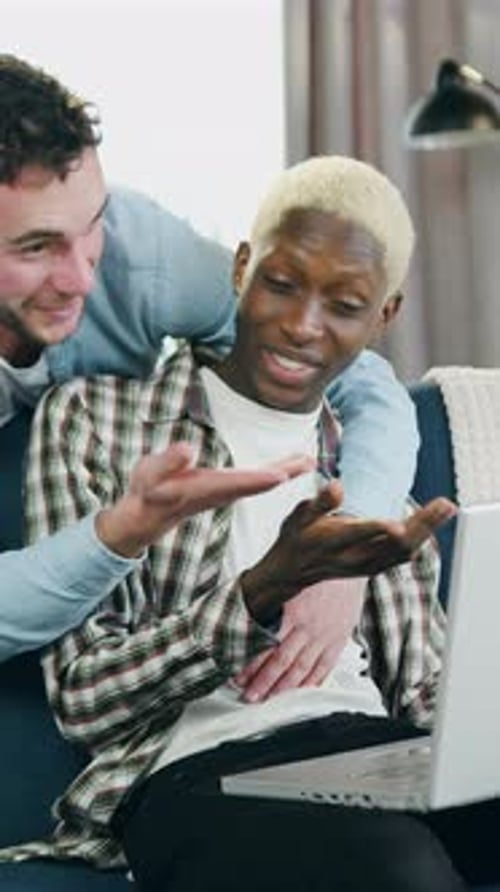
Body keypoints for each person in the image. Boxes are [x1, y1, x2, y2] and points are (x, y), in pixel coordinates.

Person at [4, 154, 489, 892]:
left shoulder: (370, 466)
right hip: (202, 771)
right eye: (282, 283)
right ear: (240, 270)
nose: (301, 326)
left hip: (377, 752)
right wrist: (260, 592)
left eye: (346, 305)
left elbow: (426, 692)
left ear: (384, 316)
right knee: (398, 867)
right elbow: (84, 698)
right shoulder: (99, 418)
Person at [0, 54, 420, 662]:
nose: (81, 279)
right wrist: (121, 532)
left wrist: (346, 547)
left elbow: (363, 381)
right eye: (37, 248)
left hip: (113, 523)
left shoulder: (140, 248)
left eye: (90, 223)